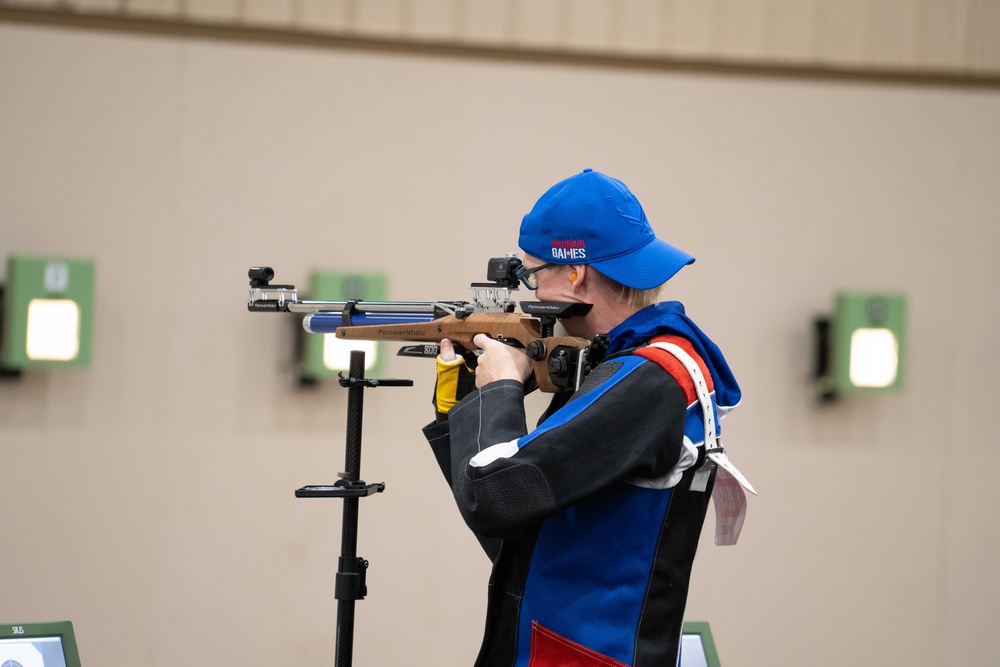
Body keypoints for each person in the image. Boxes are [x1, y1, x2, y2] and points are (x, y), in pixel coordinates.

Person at [422, 168, 743, 667]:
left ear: (574, 274)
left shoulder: (651, 377)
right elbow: (520, 535)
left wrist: (503, 387)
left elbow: (500, 497)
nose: (528, 290)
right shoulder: (623, 369)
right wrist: (466, 402)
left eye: (532, 275)